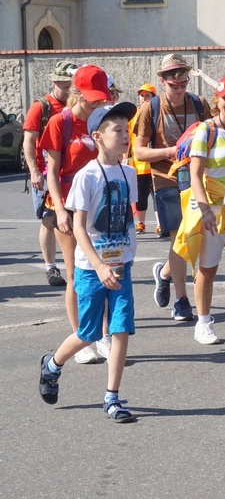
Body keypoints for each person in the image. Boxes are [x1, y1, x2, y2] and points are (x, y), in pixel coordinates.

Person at [38, 101, 139, 423]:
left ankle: (112, 398)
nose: (125, 136)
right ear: (97, 136)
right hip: (91, 268)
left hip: (121, 266)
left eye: (127, 130)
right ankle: (52, 364)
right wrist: (98, 264)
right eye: (117, 130)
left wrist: (126, 254)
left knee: (121, 330)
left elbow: (126, 216)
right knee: (90, 333)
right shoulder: (87, 176)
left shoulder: (129, 172)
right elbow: (79, 226)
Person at [174, 76, 225, 344]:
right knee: (208, 269)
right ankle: (204, 323)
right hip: (215, 209)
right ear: (217, 101)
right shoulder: (206, 130)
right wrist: (206, 210)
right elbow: (195, 175)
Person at [40, 64, 112, 365]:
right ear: (77, 92)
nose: (98, 102)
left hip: (99, 205)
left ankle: (106, 336)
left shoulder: (103, 122)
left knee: (107, 270)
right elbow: (52, 173)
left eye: (101, 97)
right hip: (67, 205)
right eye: (92, 97)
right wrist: (58, 209)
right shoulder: (60, 122)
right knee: (75, 275)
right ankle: (82, 338)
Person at [134, 53, 211, 322]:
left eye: (184, 84)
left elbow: (212, 136)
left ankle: (165, 272)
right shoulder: (150, 108)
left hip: (197, 177)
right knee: (180, 235)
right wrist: (172, 150)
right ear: (162, 81)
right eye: (173, 85)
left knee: (196, 236)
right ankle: (181, 300)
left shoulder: (200, 104)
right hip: (165, 177)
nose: (179, 90)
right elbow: (139, 152)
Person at [22, 59, 78, 287]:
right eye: (65, 87)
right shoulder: (41, 107)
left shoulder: (76, 105)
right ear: (55, 82)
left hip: (71, 171)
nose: (69, 91)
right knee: (49, 220)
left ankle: (77, 264)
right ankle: (51, 267)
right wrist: (35, 171)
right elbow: (28, 140)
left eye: (72, 87)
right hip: (46, 173)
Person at [128, 83, 159, 235]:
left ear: (154, 97)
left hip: (156, 161)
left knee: (158, 193)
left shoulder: (158, 112)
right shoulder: (133, 114)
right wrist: (123, 158)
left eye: (148, 95)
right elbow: (128, 137)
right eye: (142, 95)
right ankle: (141, 223)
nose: (144, 98)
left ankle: (161, 224)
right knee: (140, 195)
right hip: (139, 163)